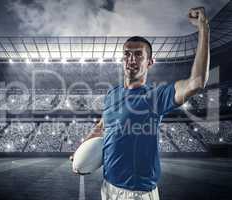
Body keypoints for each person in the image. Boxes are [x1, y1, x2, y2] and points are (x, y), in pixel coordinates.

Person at [71, 7, 209, 200]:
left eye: (138, 54)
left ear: (150, 62)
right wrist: (82, 149)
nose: (131, 59)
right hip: (107, 186)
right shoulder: (112, 93)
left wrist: (203, 28)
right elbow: (103, 126)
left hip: (136, 193)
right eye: (127, 54)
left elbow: (197, 81)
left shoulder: (156, 95)